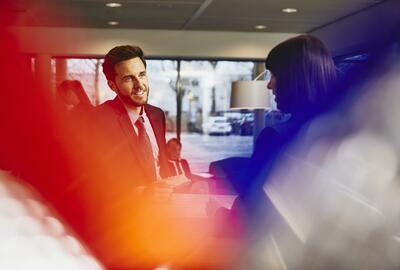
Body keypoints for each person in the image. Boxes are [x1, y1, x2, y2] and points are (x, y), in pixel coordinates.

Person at [91, 45, 171, 185]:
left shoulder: (157, 115)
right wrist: (143, 194)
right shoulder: (98, 120)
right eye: (128, 78)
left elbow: (160, 166)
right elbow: (95, 182)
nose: (139, 84)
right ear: (112, 86)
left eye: (142, 74)